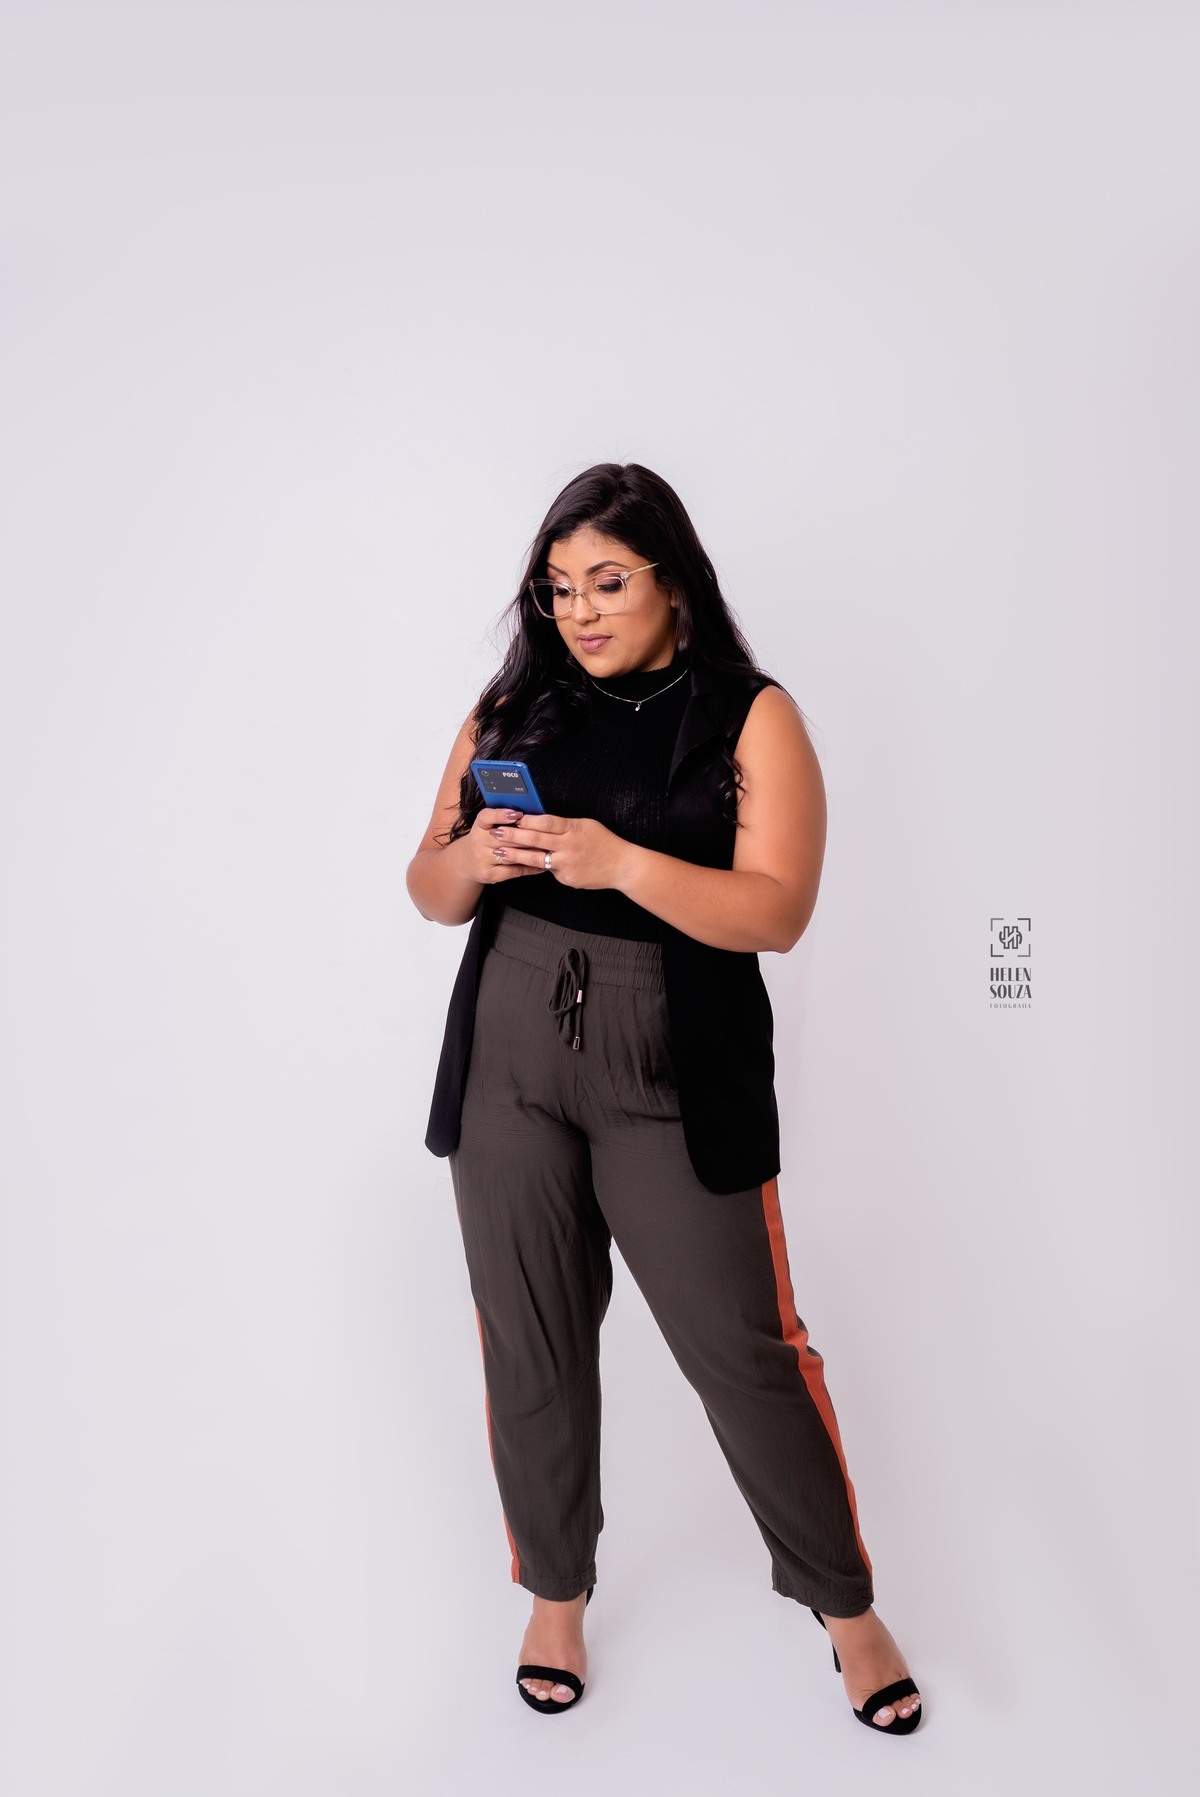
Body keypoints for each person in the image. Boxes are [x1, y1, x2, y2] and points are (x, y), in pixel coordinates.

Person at [406, 463, 923, 1734]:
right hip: (511, 1053)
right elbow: (427, 888)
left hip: (672, 1066)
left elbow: (778, 912)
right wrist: (474, 857)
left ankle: (846, 1606)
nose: (578, 610)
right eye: (558, 587)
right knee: (529, 1339)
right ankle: (556, 1594)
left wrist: (621, 863)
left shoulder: (750, 715)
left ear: (673, 582)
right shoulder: (510, 707)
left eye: (607, 582)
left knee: (747, 1354)